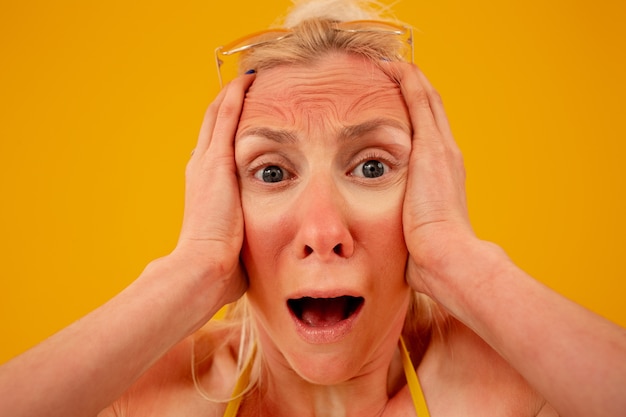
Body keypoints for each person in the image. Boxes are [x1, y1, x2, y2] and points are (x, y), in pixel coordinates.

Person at [1, 1, 625, 416]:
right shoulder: (138, 396)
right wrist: (192, 271)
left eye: (373, 167)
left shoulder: (515, 392)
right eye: (271, 172)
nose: (323, 233)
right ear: (222, 199)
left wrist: (460, 262)